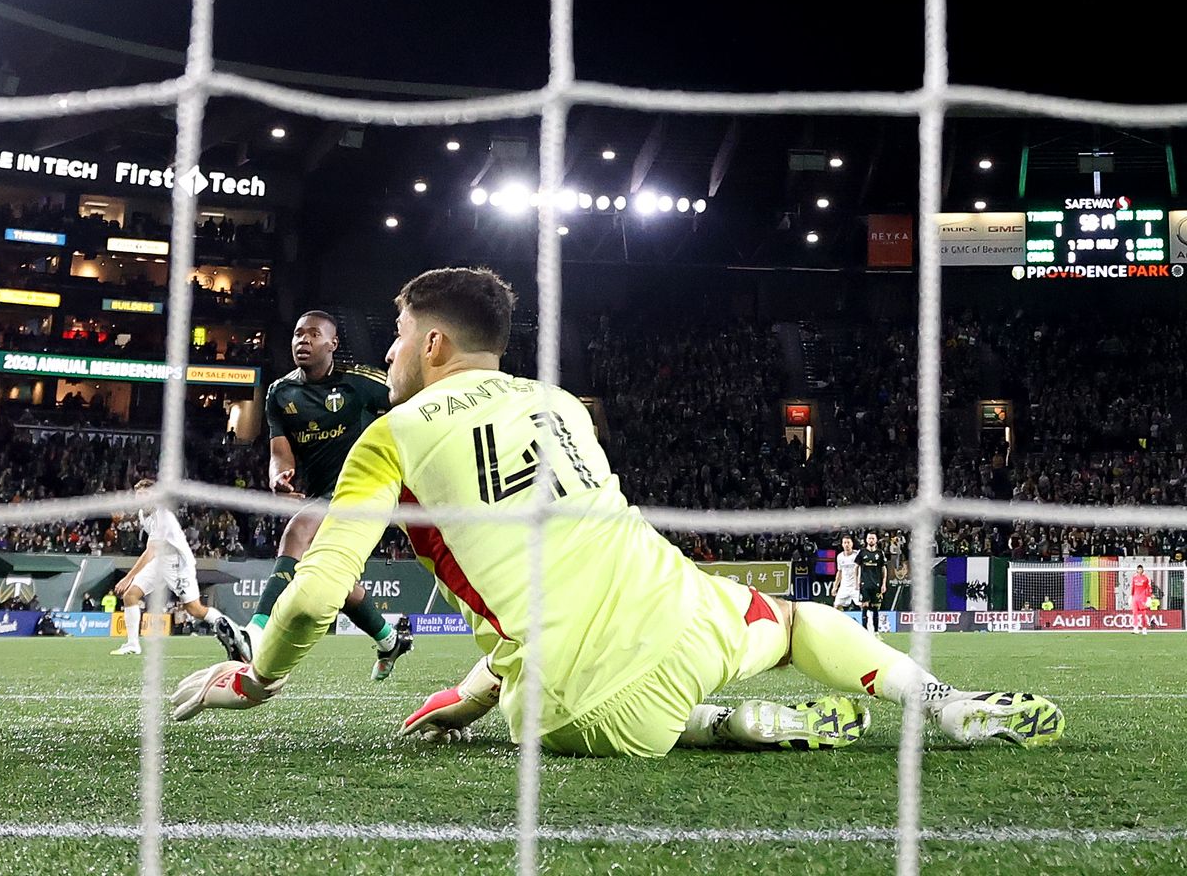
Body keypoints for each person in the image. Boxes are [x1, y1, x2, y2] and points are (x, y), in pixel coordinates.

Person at [171, 267, 1065, 753]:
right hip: (690, 620)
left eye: (400, 337)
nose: (393, 354)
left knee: (568, 699)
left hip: (573, 707)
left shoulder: (395, 433)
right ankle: (943, 702)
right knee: (795, 621)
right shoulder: (561, 402)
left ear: (434, 342)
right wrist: (477, 684)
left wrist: (255, 681)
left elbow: (321, 592)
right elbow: (570, 561)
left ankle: (719, 727)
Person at [229, 310, 409, 681]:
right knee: (337, 584)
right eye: (297, 334)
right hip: (320, 491)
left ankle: (256, 631)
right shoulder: (281, 393)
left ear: (333, 344)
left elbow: (409, 405)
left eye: (313, 334)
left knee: (297, 530)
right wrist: (279, 478)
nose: (303, 341)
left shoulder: (359, 384)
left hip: (365, 485)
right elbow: (279, 452)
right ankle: (391, 640)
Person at [111, 477, 232, 656]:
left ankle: (233, 630)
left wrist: (128, 577)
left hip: (178, 564)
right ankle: (132, 644)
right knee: (130, 595)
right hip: (159, 561)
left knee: (195, 609)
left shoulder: (163, 516)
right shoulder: (143, 514)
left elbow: (150, 551)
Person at [856, 532, 889, 636]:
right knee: (864, 606)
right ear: (866, 540)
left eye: (873, 538)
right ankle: (864, 631)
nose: (871, 540)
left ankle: (876, 632)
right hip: (864, 583)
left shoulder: (880, 553)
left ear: (876, 540)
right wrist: (857, 581)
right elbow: (856, 567)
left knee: (875, 607)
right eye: (869, 538)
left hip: (876, 584)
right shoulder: (861, 552)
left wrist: (884, 584)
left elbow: (884, 569)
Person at [832, 535, 865, 620]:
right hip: (844, 586)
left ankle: (868, 627)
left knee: (862, 605)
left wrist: (860, 582)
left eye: (848, 543)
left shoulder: (857, 554)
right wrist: (835, 587)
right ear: (842, 544)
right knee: (836, 605)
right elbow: (839, 572)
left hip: (856, 587)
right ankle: (836, 625)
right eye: (845, 543)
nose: (846, 545)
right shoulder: (840, 557)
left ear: (852, 544)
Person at [1130, 564, 1153, 635]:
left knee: (1143, 614)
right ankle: (1136, 628)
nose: (1139, 570)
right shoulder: (1134, 578)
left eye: (1140, 569)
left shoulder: (1146, 578)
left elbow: (1149, 588)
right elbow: (1133, 587)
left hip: (1142, 598)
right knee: (1134, 613)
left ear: (1143, 570)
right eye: (1138, 569)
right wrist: (1131, 596)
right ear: (1137, 570)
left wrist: (1149, 597)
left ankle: (1144, 628)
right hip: (1135, 598)